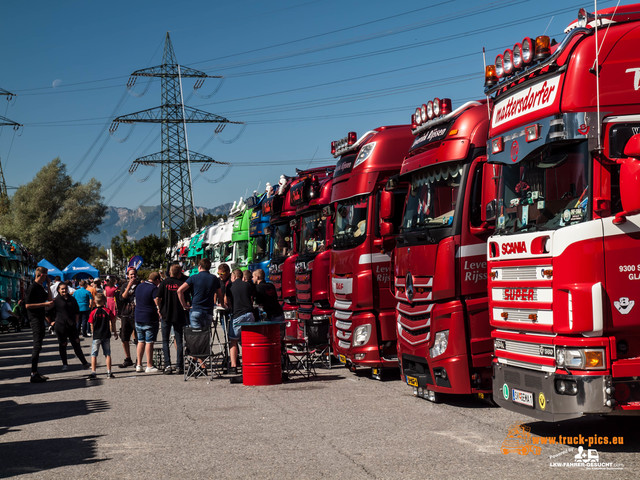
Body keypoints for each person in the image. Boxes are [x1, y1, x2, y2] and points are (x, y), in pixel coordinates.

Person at [25, 266, 54, 383]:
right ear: (41, 275)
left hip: (40, 318)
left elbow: (50, 298)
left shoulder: (41, 287)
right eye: (46, 275)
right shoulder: (32, 287)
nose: (47, 277)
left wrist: (48, 285)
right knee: (36, 345)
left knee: (39, 345)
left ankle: (35, 372)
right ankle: (33, 373)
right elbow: (27, 305)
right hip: (35, 319)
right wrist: (43, 304)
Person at [52, 282, 90, 371]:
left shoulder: (72, 299)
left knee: (76, 343)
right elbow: (47, 312)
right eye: (62, 289)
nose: (64, 290)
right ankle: (65, 364)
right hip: (61, 327)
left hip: (72, 326)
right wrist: (51, 322)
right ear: (58, 290)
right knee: (63, 345)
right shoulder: (56, 300)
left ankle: (84, 363)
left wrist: (75, 322)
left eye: (65, 288)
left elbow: (77, 311)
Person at [157, 264, 186, 375]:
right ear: (179, 273)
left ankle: (167, 365)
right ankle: (179, 365)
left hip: (166, 314)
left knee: (165, 340)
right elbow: (186, 298)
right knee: (179, 341)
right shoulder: (181, 284)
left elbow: (158, 298)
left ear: (169, 272)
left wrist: (159, 309)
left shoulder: (164, 283)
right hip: (178, 314)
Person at [177, 258, 222, 329]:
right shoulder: (214, 279)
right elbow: (220, 294)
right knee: (205, 336)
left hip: (196, 309)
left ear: (200, 266)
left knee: (196, 337)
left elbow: (179, 290)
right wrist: (222, 303)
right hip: (208, 311)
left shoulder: (193, 277)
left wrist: (184, 305)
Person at [226, 268, 256, 374]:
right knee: (248, 341)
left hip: (237, 315)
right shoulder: (247, 285)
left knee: (233, 341)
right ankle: (249, 363)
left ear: (234, 276)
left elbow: (227, 301)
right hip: (249, 314)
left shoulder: (230, 286)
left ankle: (234, 366)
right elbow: (251, 299)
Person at [134, 271, 162, 373]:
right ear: (157, 280)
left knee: (140, 341)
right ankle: (149, 365)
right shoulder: (154, 288)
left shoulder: (139, 286)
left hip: (138, 316)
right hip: (149, 317)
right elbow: (157, 301)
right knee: (149, 342)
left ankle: (139, 364)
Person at [88, 293, 117, 379]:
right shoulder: (107, 311)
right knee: (107, 354)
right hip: (106, 334)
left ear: (95, 301)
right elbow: (113, 321)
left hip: (97, 335)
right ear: (104, 301)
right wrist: (114, 332)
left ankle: (93, 372)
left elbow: (91, 324)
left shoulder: (93, 312)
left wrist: (93, 332)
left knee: (94, 354)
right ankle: (109, 372)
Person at [117, 268, 138, 368]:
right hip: (126, 313)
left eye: (134, 274)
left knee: (138, 338)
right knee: (124, 337)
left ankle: (139, 358)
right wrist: (129, 285)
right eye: (131, 275)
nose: (133, 276)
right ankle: (128, 358)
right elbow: (122, 297)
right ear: (128, 276)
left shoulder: (140, 285)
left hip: (136, 313)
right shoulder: (124, 286)